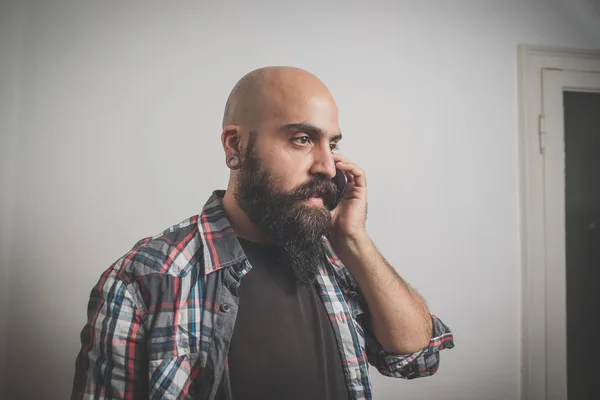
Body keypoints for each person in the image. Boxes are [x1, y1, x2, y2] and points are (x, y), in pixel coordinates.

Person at [71, 66, 454, 400]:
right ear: (235, 144)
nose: (327, 166)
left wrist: (354, 239)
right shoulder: (145, 279)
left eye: (332, 143)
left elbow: (418, 358)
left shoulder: (338, 261)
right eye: (302, 139)